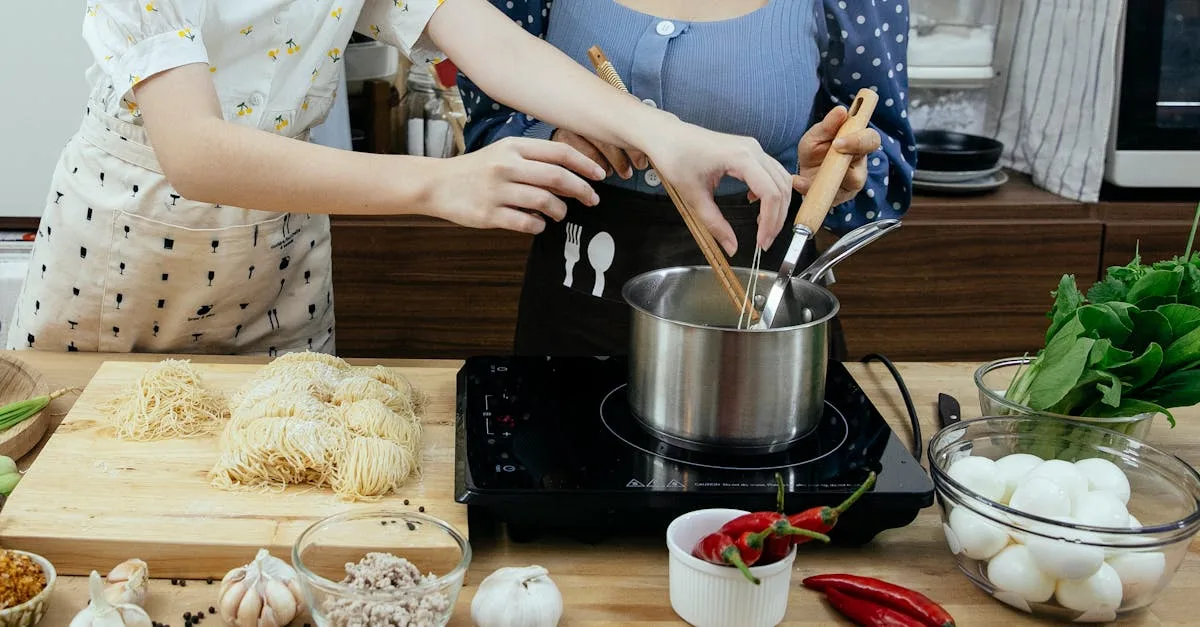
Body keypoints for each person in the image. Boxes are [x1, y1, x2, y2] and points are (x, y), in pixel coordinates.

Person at [5, 0, 796, 355]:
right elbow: (197, 152)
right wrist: (436, 185)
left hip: (277, 261)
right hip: (125, 259)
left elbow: (496, 43)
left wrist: (669, 136)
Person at [460, 0, 916, 358]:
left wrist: (827, 177)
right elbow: (488, 126)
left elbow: (886, 165)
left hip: (760, 318)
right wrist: (553, 141)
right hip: (575, 293)